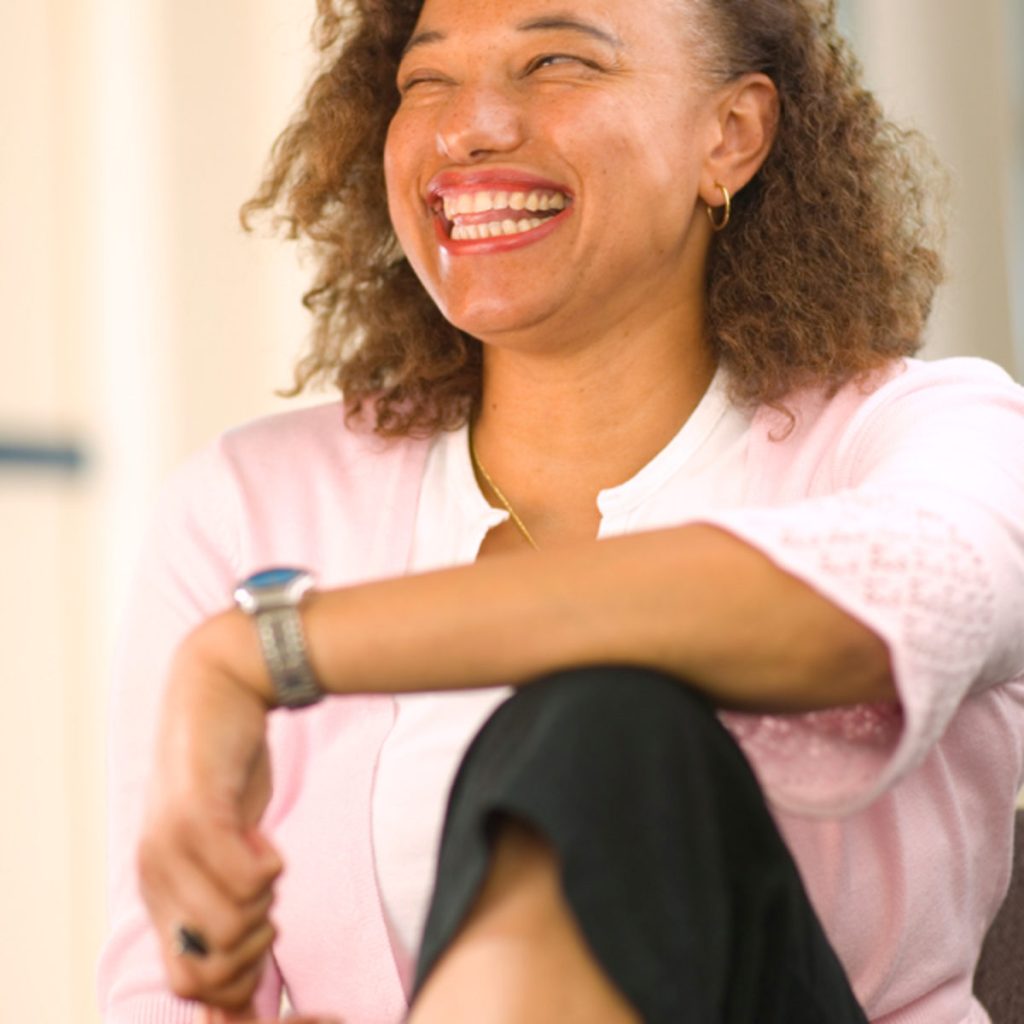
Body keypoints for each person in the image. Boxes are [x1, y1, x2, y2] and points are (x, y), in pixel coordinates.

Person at [97, 0, 1024, 1021]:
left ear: (732, 134)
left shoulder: (928, 434)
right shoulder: (244, 507)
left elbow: (891, 604)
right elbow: (165, 990)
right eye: (427, 81)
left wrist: (267, 650)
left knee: (609, 724)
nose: (469, 127)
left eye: (556, 63)